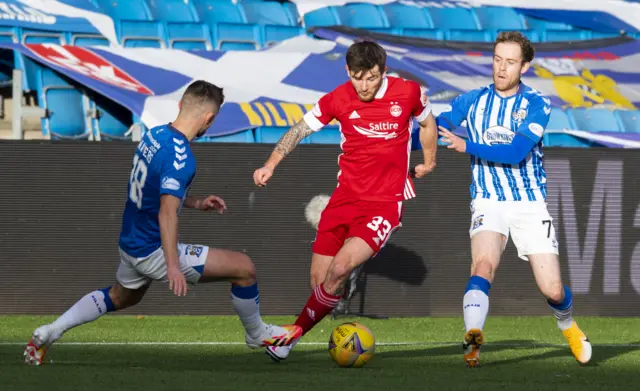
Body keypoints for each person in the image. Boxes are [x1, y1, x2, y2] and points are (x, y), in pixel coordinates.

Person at [24, 80, 302, 366]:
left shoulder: (153, 135)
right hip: (153, 249)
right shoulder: (181, 158)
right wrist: (172, 265)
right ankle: (257, 334)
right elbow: (166, 214)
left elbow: (154, 191)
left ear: (180, 105)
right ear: (209, 119)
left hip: (131, 242)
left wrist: (195, 201)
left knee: (121, 298)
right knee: (244, 269)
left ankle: (50, 331)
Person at [253, 40, 438, 363]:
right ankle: (307, 329)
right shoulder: (338, 98)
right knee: (321, 283)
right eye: (357, 77)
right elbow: (299, 130)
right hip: (344, 199)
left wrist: (429, 160)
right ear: (347, 72)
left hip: (385, 202)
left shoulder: (407, 92)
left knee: (338, 270)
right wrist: (270, 163)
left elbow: (427, 122)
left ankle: (288, 339)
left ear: (384, 71)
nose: (365, 86)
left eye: (372, 77)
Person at [436, 31, 592, 367]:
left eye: (510, 62)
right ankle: (472, 337)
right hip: (488, 200)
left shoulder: (537, 104)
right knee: (483, 266)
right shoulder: (473, 100)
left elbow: (516, 152)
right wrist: (419, 138)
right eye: (497, 60)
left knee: (552, 289)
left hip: (529, 204)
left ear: (525, 67)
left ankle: (567, 325)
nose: (501, 68)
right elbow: (439, 126)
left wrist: (467, 146)